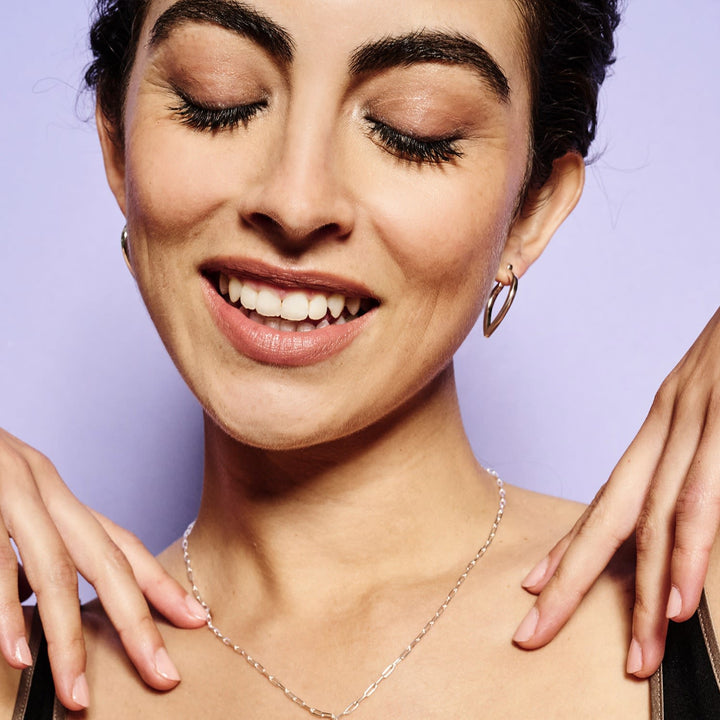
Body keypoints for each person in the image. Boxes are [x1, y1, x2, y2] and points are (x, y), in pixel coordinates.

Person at [1, 0, 720, 716]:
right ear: (118, 143)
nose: (296, 202)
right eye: (217, 100)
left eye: (413, 132)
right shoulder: (16, 675)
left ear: (530, 211)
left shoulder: (697, 597)